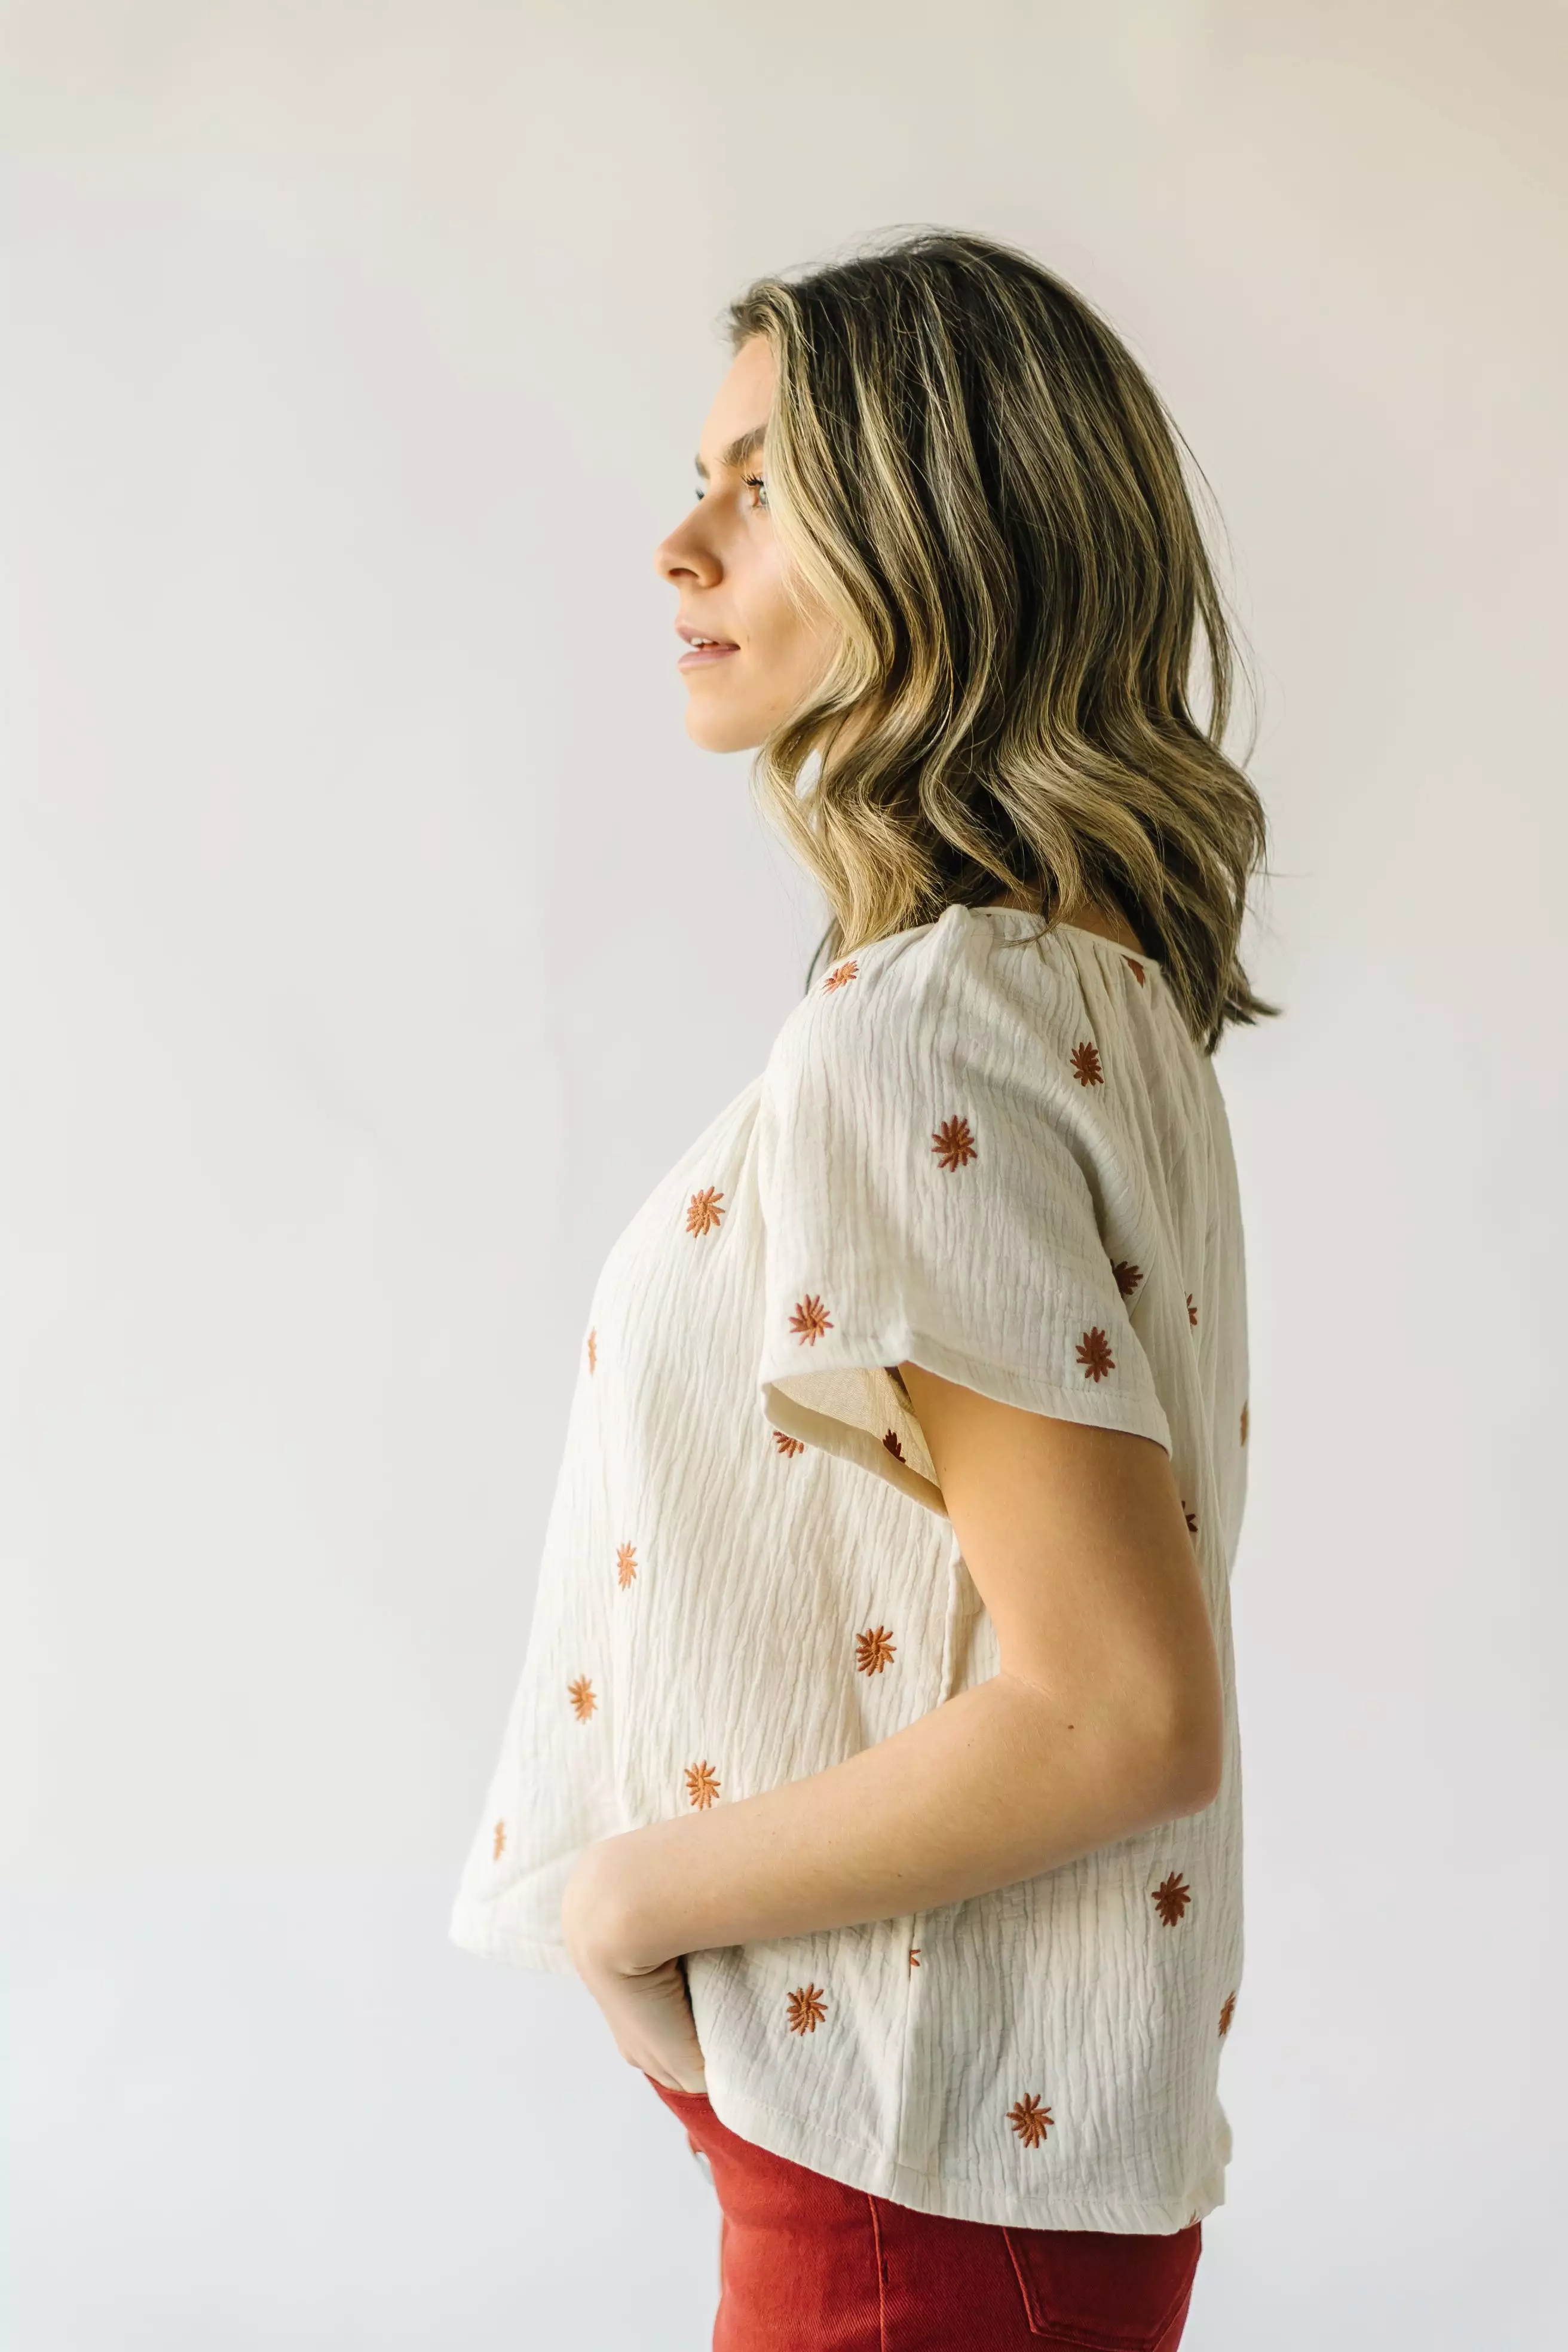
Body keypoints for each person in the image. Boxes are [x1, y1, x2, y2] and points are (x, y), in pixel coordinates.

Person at [449, 226, 1278, 2351]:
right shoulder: (1079, 1001)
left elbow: (1115, 1710)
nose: (678, 543)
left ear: (944, 527)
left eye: (757, 482)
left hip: (909, 2172)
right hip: (954, 2148)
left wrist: (629, 1895)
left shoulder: (926, 1029)